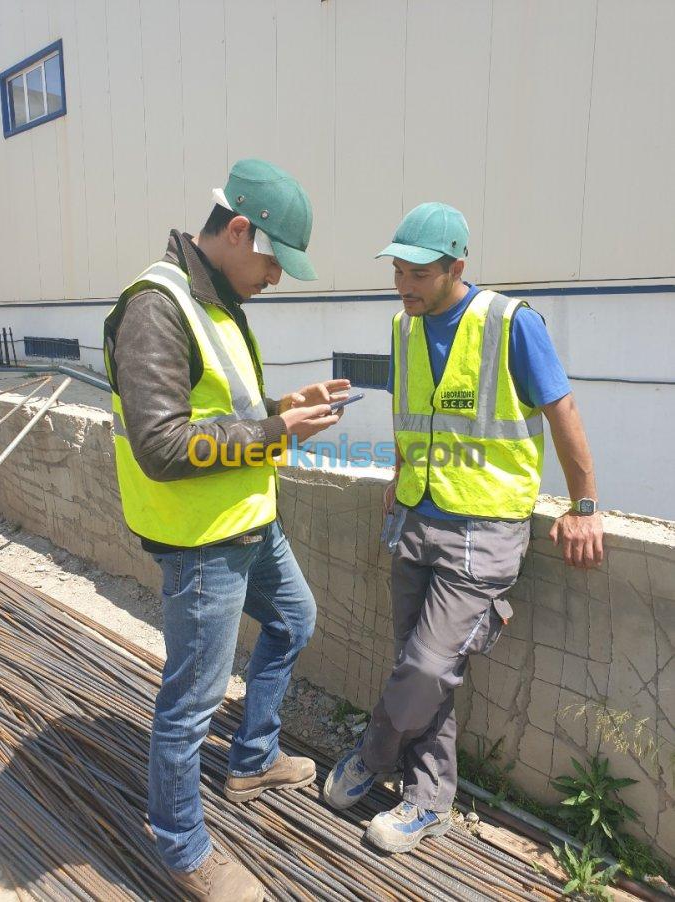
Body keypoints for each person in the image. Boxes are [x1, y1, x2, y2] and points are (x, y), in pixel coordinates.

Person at [324, 202, 603, 853]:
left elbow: (562, 409)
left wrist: (584, 504)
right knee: (422, 669)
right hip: (417, 517)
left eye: (417, 273)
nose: (404, 285)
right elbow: (409, 410)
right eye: (397, 271)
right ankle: (427, 803)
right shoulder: (404, 326)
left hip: (485, 529)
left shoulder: (510, 323)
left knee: (425, 667)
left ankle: (372, 754)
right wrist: (397, 471)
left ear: (457, 266)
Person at [104, 159, 349, 900]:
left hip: (249, 521)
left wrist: (282, 404)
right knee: (189, 705)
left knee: (294, 620)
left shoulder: (215, 301)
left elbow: (222, 407)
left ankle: (252, 760)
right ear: (238, 230)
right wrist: (276, 428)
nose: (275, 278)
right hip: (204, 540)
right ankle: (181, 847)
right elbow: (163, 444)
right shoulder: (157, 306)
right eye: (274, 261)